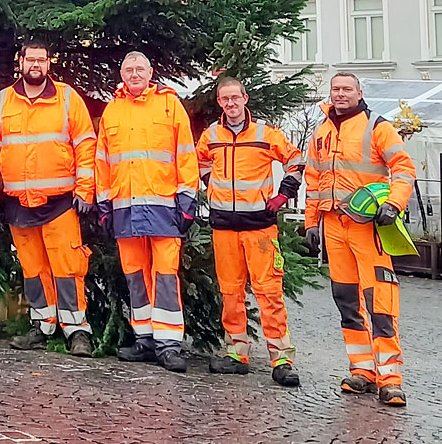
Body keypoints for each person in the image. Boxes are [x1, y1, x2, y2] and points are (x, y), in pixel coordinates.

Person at [304, 71, 416, 407]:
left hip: (368, 228)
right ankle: (363, 370)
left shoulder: (377, 127)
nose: (340, 94)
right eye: (335, 89)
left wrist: (394, 204)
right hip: (334, 227)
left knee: (379, 302)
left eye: (346, 89)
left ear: (359, 92)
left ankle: (390, 379)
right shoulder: (322, 131)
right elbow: (314, 179)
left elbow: (404, 168)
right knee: (347, 301)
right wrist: (312, 223)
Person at [0, 39, 96, 354]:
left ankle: (76, 331)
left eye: (41, 60)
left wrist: (86, 191)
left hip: (60, 203)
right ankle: (42, 326)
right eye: (31, 60)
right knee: (32, 270)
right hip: (18, 205)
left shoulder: (68, 99)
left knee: (68, 268)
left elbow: (86, 145)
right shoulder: (2, 102)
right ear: (20, 62)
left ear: (48, 64)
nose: (35, 65)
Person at [196, 75, 303, 386]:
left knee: (269, 292)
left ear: (245, 99)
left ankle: (281, 359)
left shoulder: (264, 134)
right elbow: (201, 162)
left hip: (259, 227)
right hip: (224, 227)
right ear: (219, 102)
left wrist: (283, 194)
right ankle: (236, 352)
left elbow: (295, 160)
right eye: (225, 99)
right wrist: (210, 186)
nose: (231, 104)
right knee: (230, 292)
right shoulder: (211, 135)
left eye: (235, 98)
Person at [96, 52, 199, 373]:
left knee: (165, 276)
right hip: (125, 209)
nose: (134, 74)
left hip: (165, 207)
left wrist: (187, 200)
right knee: (135, 276)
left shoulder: (169, 106)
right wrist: (103, 203)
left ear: (151, 72)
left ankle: (169, 344)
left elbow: (186, 155)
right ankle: (145, 338)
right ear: (122, 74)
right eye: (129, 69)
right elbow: (102, 160)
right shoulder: (112, 110)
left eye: (140, 69)